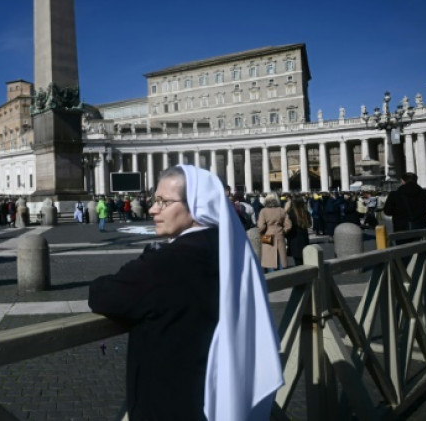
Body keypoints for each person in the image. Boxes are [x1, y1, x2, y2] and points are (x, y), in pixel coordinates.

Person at [89, 165, 282, 420]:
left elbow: (101, 293)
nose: (152, 209)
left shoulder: (168, 262)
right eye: (154, 200)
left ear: (197, 205)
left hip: (173, 401)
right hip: (221, 389)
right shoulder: (230, 248)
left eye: (163, 202)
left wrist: (151, 255)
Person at [383, 172, 426, 243]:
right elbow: (425, 207)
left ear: (403, 181)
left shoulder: (394, 195)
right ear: (416, 181)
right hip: (420, 228)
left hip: (401, 230)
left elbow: (387, 211)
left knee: (404, 252)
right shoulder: (425, 194)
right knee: (421, 251)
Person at [257, 193, 292, 272]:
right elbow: (289, 225)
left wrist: (261, 233)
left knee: (269, 261)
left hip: (267, 235)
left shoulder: (263, 211)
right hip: (279, 234)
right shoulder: (281, 210)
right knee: (281, 260)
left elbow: (261, 227)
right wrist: (283, 231)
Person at [286, 196, 312, 266]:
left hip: (294, 240)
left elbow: (288, 226)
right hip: (304, 239)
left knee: (298, 263)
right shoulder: (305, 212)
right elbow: (309, 224)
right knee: (305, 261)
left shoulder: (291, 213)